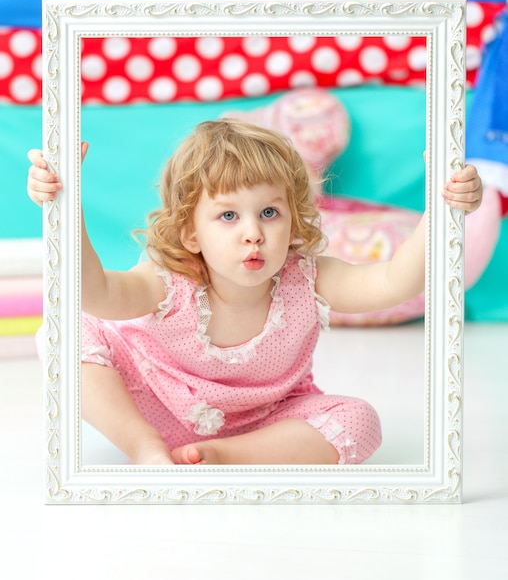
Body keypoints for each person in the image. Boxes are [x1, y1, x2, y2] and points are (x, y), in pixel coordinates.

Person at [27, 119, 483, 466]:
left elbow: (394, 282)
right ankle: (145, 450)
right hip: (152, 405)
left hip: (266, 421)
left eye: (269, 212)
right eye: (228, 217)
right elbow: (96, 292)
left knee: (359, 421)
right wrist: (64, 204)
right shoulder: (168, 278)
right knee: (61, 330)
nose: (253, 234)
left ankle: (221, 458)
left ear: (293, 218)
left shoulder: (306, 276)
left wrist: (443, 207)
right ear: (190, 233)